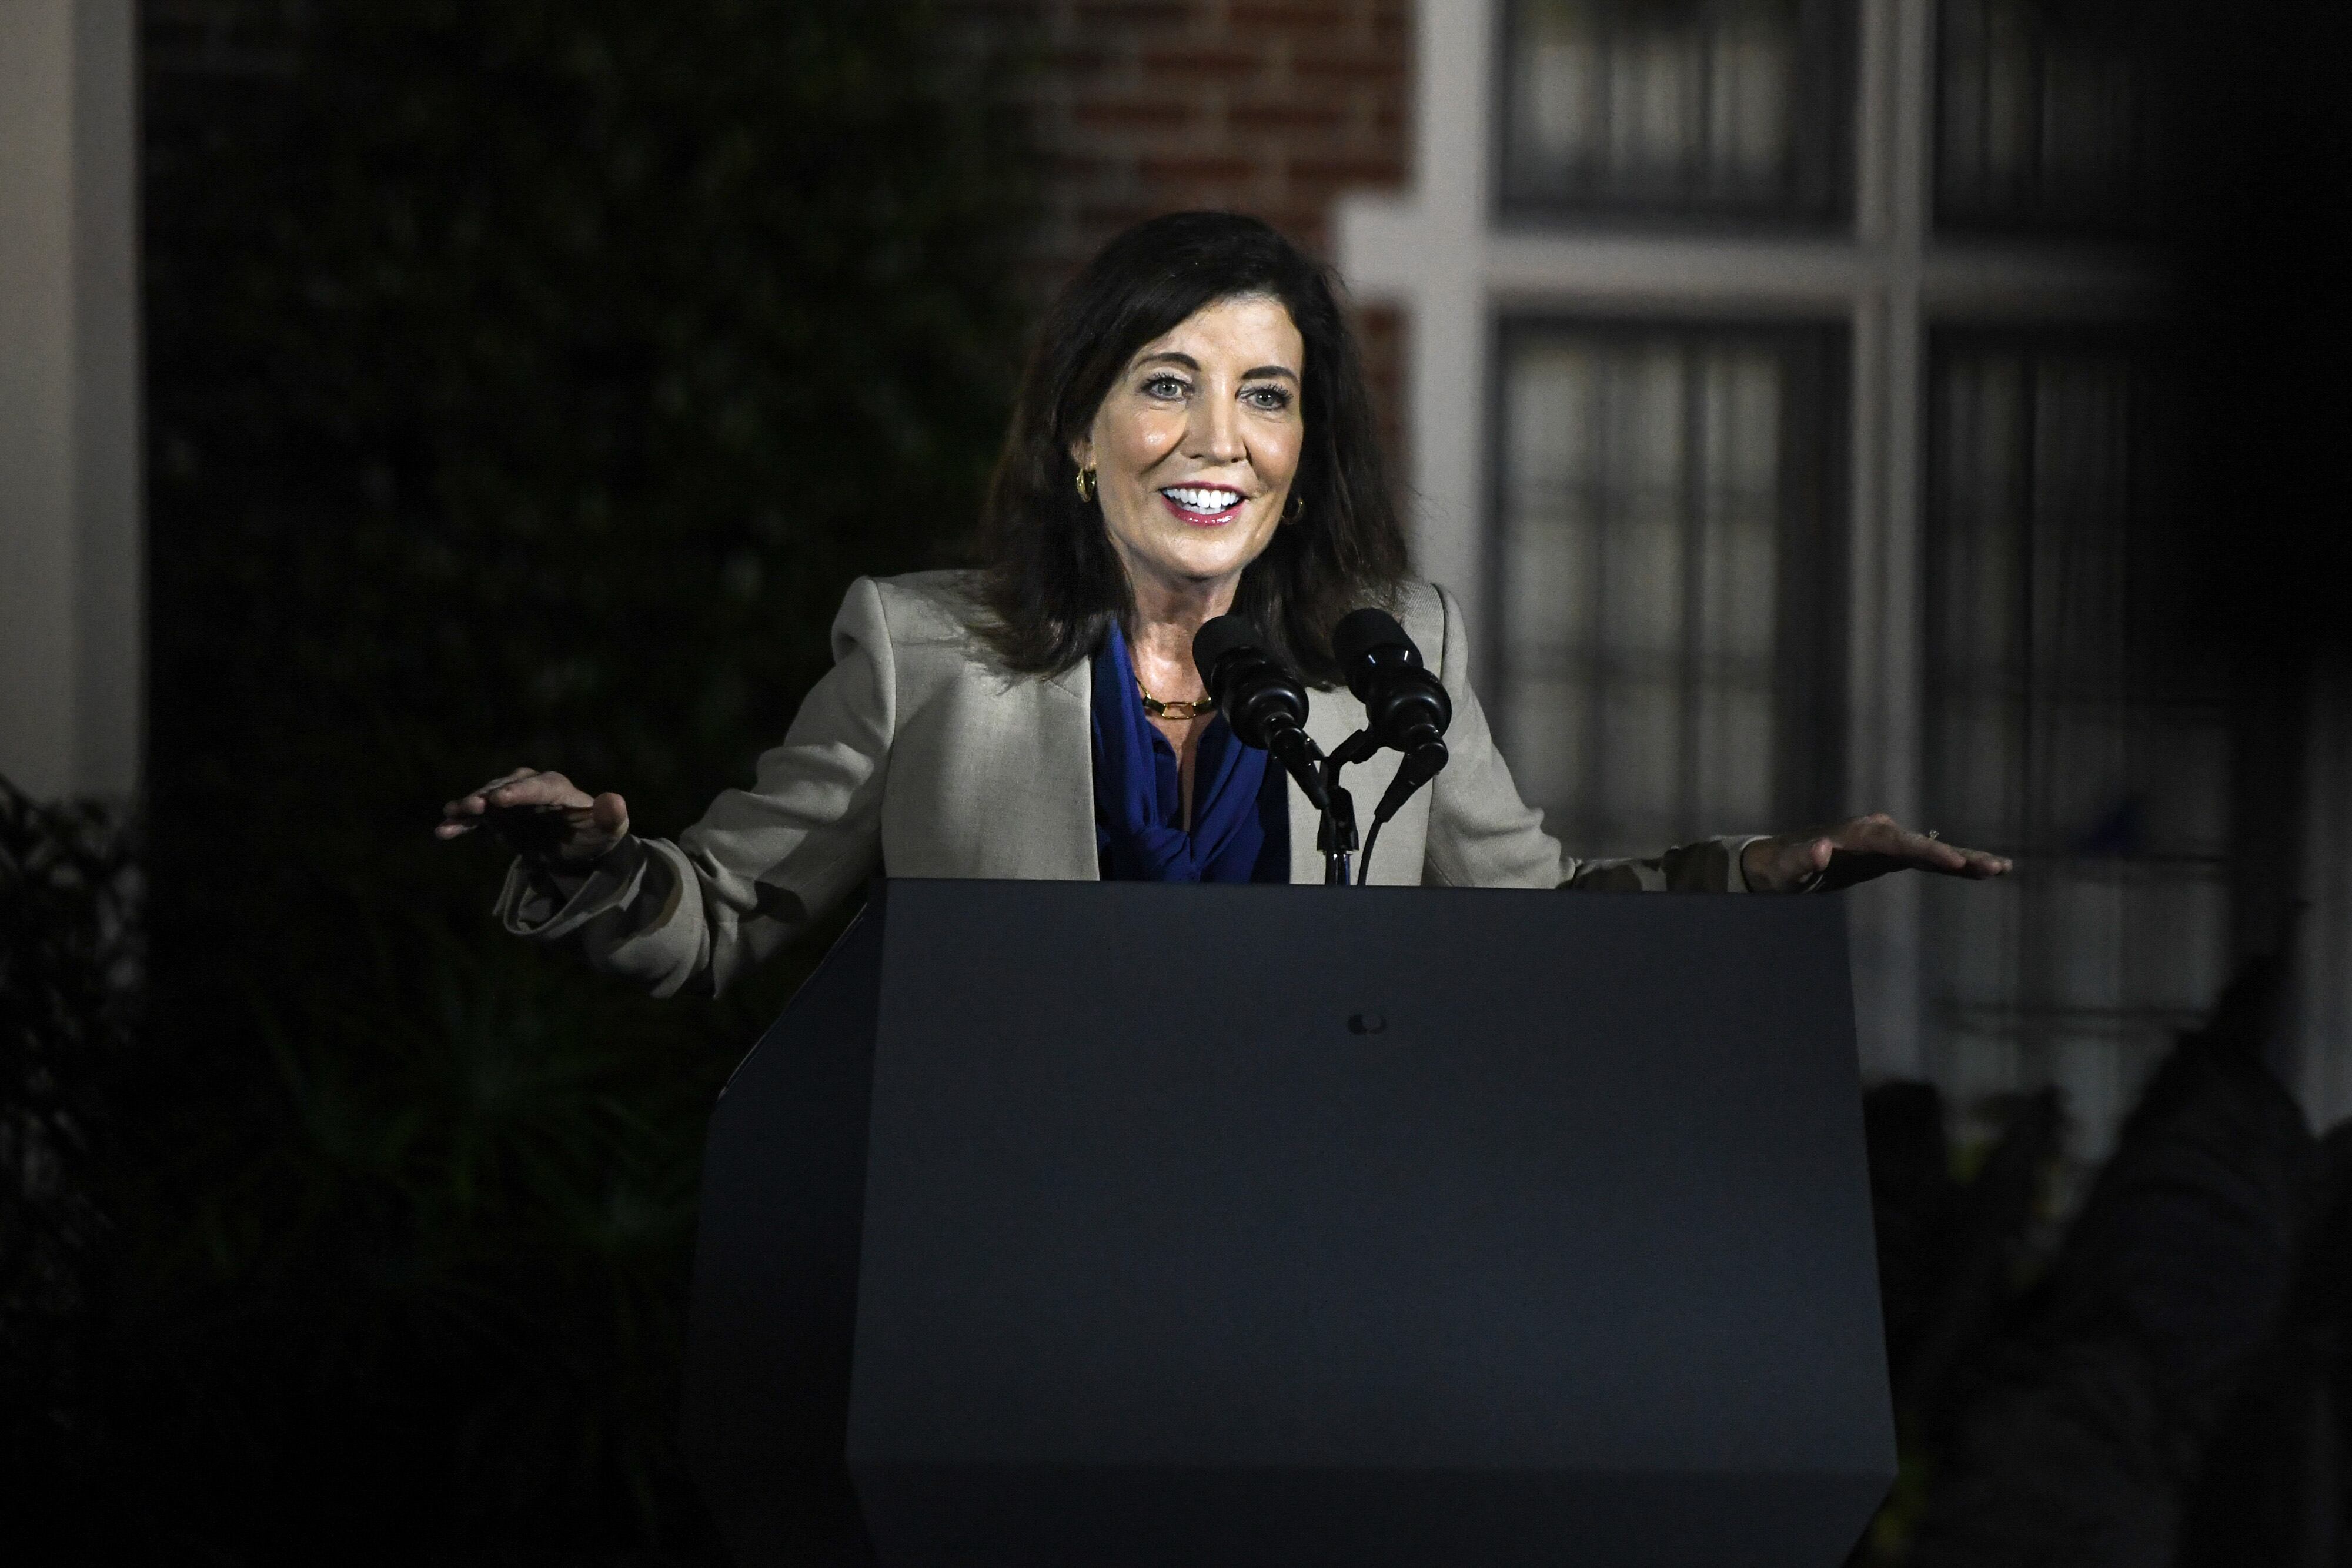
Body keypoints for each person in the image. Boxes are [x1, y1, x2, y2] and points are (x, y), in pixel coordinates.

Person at [436, 212, 2007, 998]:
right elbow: (726, 913)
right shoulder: (921, 652)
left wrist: (1770, 874)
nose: (1219, 441)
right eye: (1166, 385)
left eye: (1267, 395)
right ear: (1075, 429)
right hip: (1007, 1260)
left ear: (1308, 444)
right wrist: (601, 868)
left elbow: (1530, 917)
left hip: (1299, 1254)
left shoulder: (1398, 659)